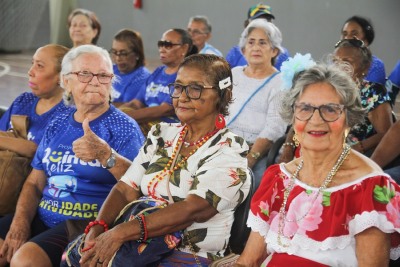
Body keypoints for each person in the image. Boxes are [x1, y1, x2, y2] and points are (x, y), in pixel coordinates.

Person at [65, 54, 252, 266]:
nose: (182, 96)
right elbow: (126, 187)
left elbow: (192, 209)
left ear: (222, 95)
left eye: (195, 88)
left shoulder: (229, 151)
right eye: (178, 87)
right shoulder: (162, 135)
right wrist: (98, 229)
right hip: (136, 247)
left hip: (189, 255)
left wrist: (120, 233)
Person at [235, 62, 400, 266]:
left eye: (330, 109)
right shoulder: (278, 179)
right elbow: (248, 261)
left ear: (349, 118)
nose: (316, 119)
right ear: (293, 117)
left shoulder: (371, 188)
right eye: (305, 108)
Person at [0, 45, 144, 267]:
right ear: (66, 81)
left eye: (104, 75)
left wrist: (106, 155)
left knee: (25, 260)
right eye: (85, 74)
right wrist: (20, 222)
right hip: (42, 214)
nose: (95, 81)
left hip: (84, 223)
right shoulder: (57, 123)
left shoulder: (124, 127)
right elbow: (35, 183)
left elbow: (140, 190)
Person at [279, 39, 393, 163]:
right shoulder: (327, 87)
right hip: (318, 146)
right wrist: (288, 148)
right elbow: (301, 117)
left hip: (354, 155)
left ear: (364, 68)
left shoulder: (372, 91)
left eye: (347, 62)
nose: (339, 67)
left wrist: (360, 147)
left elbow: (386, 134)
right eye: (335, 61)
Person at [226, 19, 287, 187]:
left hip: (257, 151)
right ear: (243, 50)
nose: (256, 48)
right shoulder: (234, 74)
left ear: (274, 50)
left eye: (263, 43)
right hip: (224, 145)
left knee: (246, 187)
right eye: (251, 42)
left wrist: (249, 160)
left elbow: (274, 128)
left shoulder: (280, 83)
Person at [119, 28, 196, 136]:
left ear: (184, 48)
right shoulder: (158, 72)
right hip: (146, 122)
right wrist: (116, 113)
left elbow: (165, 110)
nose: (162, 49)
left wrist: (125, 118)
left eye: (167, 45)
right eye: (160, 44)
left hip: (168, 129)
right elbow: (136, 103)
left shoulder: (185, 75)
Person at [0, 44, 71, 157]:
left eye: (39, 66)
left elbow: (39, 153)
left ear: (62, 77)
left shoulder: (69, 114)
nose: (30, 72)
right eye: (32, 63)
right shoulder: (23, 101)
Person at [225, 3, 290, 70]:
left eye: (267, 21)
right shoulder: (235, 53)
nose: (262, 25)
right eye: (257, 21)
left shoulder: (282, 54)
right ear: (247, 25)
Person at [109, 29, 150, 106]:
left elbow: (127, 108)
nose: (118, 58)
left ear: (137, 54)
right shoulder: (110, 69)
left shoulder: (142, 78)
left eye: (123, 53)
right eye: (114, 52)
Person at [341, 15, 386, 85]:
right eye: (345, 34)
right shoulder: (332, 62)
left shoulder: (376, 65)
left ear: (366, 39)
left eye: (354, 33)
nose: (347, 38)